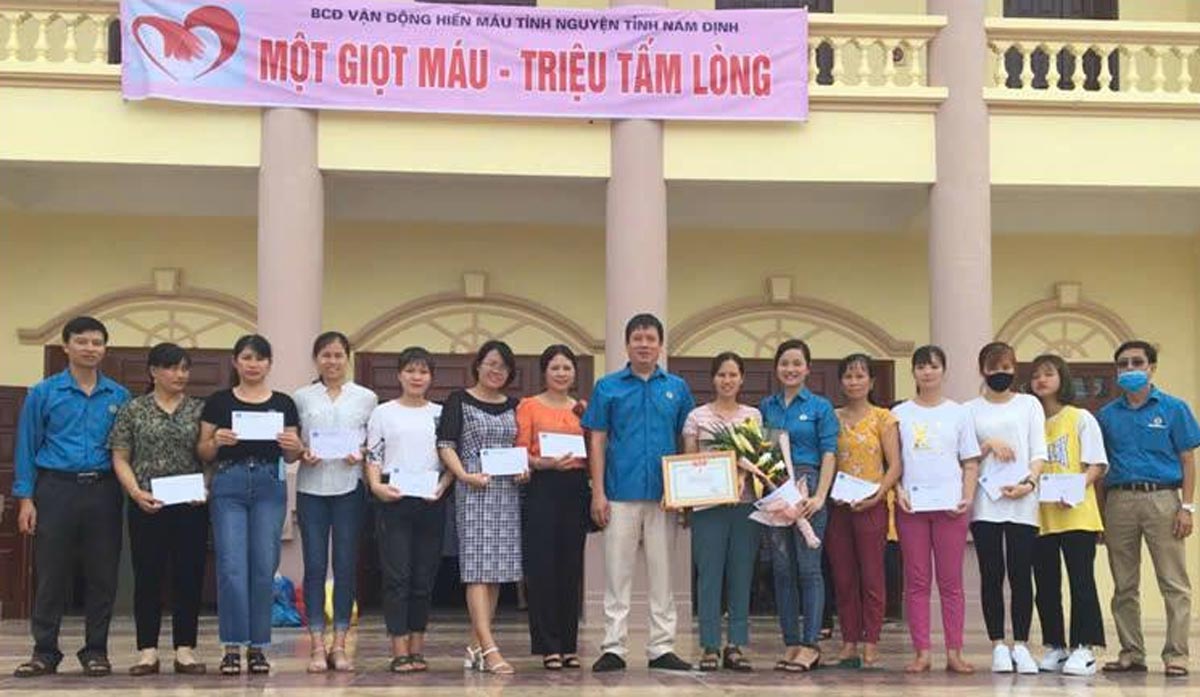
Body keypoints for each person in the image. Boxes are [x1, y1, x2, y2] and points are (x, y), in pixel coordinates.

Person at [12, 316, 131, 678]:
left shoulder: (119, 396)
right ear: (66, 346)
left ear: (105, 349)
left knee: (102, 575)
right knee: (51, 574)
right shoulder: (43, 393)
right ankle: (44, 651)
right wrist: (25, 499)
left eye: (97, 342)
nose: (90, 348)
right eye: (82, 341)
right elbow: (26, 446)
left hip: (103, 490)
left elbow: (128, 450)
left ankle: (96, 650)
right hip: (55, 489)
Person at [583, 313, 696, 673]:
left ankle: (662, 647)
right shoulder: (607, 386)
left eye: (651, 338)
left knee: (664, 575)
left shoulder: (677, 388)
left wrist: (686, 492)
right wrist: (597, 491)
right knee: (617, 575)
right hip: (619, 492)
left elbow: (688, 439)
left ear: (660, 345)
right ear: (627, 343)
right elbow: (597, 440)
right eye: (638, 338)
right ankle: (613, 647)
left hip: (664, 496)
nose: (644, 344)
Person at [197, 334, 303, 676]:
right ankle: (231, 645)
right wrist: (216, 441)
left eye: (259, 359)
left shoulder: (284, 403)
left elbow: (291, 454)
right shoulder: (218, 402)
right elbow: (203, 452)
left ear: (269, 364)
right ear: (235, 362)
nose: (253, 364)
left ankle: (258, 646)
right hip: (229, 482)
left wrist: (294, 444)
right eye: (246, 357)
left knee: (262, 566)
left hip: (270, 484)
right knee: (230, 567)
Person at [1097, 340, 1199, 677]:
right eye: (1122, 364)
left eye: (1136, 362)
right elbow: (1100, 466)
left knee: (1174, 581)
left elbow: (1187, 459)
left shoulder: (1174, 408)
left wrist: (1187, 507)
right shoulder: (1107, 415)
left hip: (1164, 499)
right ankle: (1131, 652)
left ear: (1151, 367)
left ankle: (1177, 655)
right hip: (1119, 501)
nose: (1129, 369)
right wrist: (1100, 513)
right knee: (1123, 583)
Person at [110, 343, 208, 676]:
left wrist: (206, 487)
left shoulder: (199, 409)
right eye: (172, 368)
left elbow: (208, 455)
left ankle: (185, 650)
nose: (180, 375)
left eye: (184, 368)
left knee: (189, 575)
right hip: (147, 504)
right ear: (153, 371)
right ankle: (147, 651)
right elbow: (120, 456)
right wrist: (136, 493)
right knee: (148, 575)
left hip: (191, 505)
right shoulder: (133, 409)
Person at [437, 340, 525, 675]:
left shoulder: (515, 405)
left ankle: (474, 646)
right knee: (476, 568)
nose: (495, 371)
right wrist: (464, 475)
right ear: (478, 365)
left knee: (498, 570)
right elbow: (446, 444)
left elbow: (521, 446)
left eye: (502, 366)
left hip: (506, 490)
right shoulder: (459, 400)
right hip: (473, 488)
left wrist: (523, 468)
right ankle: (490, 650)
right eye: (490, 363)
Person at [293, 332, 378, 673]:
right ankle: (316, 644)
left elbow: (374, 443)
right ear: (316, 360)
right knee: (314, 568)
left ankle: (340, 644)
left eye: (338, 355)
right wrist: (302, 453)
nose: (332, 361)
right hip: (312, 489)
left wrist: (360, 453)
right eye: (326, 355)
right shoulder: (301, 398)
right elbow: (293, 442)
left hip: (349, 488)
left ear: (348, 358)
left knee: (345, 566)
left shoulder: (366, 398)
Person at [365, 347, 452, 674]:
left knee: (423, 577)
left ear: (431, 377)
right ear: (399, 374)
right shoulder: (383, 413)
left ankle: (417, 648)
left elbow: (450, 455)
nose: (417, 377)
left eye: (424, 372)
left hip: (431, 498)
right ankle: (399, 649)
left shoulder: (441, 413)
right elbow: (373, 454)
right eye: (411, 371)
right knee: (397, 576)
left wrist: (444, 486)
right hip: (393, 497)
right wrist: (376, 487)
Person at [893, 345, 979, 675]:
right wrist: (898, 491)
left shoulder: (959, 413)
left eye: (933, 366)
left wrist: (967, 496)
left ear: (944, 370)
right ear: (913, 372)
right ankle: (922, 652)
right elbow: (894, 462)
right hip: (911, 507)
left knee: (950, 581)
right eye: (920, 367)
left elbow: (970, 461)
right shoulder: (899, 414)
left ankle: (954, 652)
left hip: (951, 508)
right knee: (916, 581)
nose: (927, 372)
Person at [966, 342, 1046, 674]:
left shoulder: (1029, 405)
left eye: (1007, 367)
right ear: (983, 370)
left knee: (1020, 574)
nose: (1001, 374)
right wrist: (987, 445)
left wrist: (1029, 483)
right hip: (986, 502)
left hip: (1022, 499)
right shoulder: (969, 409)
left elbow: (1038, 451)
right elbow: (965, 455)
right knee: (991, 573)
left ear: (1015, 369)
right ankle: (998, 643)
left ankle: (1022, 645)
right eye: (994, 368)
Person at [758, 339, 837, 672]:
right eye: (784, 363)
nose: (790, 369)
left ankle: (810, 644)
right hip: (776, 490)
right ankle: (790, 642)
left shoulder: (820, 407)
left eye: (796, 363)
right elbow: (759, 450)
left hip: (807, 489)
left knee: (808, 568)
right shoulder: (766, 406)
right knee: (781, 570)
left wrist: (819, 496)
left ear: (807, 368)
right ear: (777, 369)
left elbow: (830, 454)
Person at [680, 351, 762, 672]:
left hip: (744, 506)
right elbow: (688, 463)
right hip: (707, 507)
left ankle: (736, 645)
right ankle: (710, 646)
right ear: (713, 379)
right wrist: (686, 504)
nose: (727, 381)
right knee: (709, 576)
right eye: (722, 375)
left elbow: (759, 461)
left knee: (741, 574)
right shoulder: (696, 417)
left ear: (742, 379)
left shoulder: (753, 417)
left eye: (733, 375)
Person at [1028, 354, 1107, 676]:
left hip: (1076, 514)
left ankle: (1084, 648)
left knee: (1081, 581)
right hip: (1039, 516)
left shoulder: (1080, 417)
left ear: (1062, 377)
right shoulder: (1030, 421)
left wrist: (1073, 489)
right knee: (1045, 584)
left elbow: (1097, 465)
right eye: (1035, 376)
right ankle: (1055, 647)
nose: (1041, 380)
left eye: (1048, 374)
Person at [517, 345, 591, 671]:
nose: (562, 373)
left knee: (570, 567)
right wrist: (542, 463)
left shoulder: (583, 409)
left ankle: (569, 645)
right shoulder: (529, 406)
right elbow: (519, 452)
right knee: (543, 568)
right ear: (544, 372)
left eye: (567, 368)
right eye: (555, 368)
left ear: (575, 373)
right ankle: (548, 646)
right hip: (542, 487)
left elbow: (594, 450)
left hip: (575, 488)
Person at [827, 353, 901, 669]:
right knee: (843, 577)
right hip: (839, 508)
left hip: (872, 506)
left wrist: (878, 495)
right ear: (841, 381)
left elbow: (895, 464)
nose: (854, 381)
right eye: (848, 376)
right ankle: (849, 642)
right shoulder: (831, 417)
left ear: (871, 381)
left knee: (872, 575)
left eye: (860, 376)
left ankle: (871, 641)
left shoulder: (883, 418)